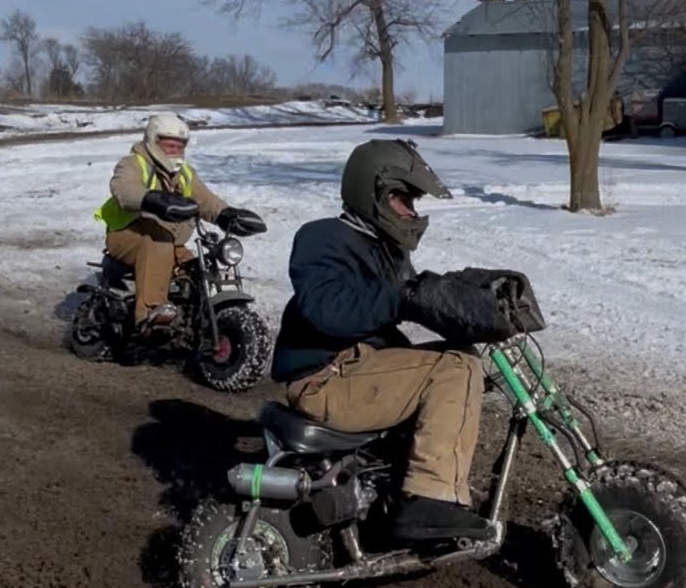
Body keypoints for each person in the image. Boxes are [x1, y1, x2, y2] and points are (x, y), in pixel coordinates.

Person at [270, 138, 511, 543]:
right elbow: (327, 308)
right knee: (456, 368)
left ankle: (395, 490)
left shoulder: (387, 250)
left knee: (458, 357)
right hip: (324, 378)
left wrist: (463, 310)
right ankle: (429, 500)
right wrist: (404, 297)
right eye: (403, 200)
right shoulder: (322, 237)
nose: (411, 212)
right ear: (373, 192)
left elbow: (394, 314)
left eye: (413, 202)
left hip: (354, 370)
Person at [94, 112, 266, 334]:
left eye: (180, 146)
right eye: (169, 145)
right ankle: (150, 312)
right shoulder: (133, 163)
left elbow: (206, 201)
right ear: (153, 141)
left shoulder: (184, 174)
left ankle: (192, 317)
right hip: (125, 235)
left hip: (166, 240)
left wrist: (227, 215)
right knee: (160, 243)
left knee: (193, 267)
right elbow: (124, 189)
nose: (175, 151)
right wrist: (153, 199)